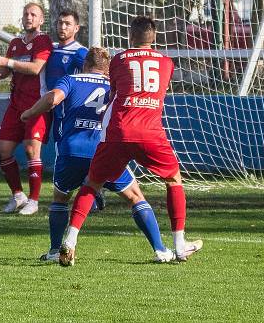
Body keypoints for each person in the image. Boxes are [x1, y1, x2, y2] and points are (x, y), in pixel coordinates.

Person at [58, 16, 202, 266]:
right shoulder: (167, 63)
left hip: (119, 131)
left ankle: (70, 240)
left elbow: (113, 93)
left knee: (92, 183)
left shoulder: (118, 61)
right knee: (173, 179)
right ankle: (179, 244)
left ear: (130, 36)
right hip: (150, 132)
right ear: (154, 37)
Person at [22, 47, 176, 263]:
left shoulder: (71, 79)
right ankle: (160, 250)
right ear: (108, 68)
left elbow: (53, 99)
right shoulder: (115, 85)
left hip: (71, 151)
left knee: (61, 198)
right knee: (134, 197)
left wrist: (29, 113)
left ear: (85, 64)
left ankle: (56, 251)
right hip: (103, 151)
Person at [0, 2, 52, 215]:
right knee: (3, 151)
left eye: (34, 14)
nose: (29, 17)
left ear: (41, 20)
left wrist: (7, 63)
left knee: (30, 150)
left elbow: (36, 68)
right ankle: (18, 195)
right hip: (15, 105)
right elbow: (9, 68)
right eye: (26, 14)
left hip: (37, 104)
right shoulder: (16, 43)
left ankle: (34, 201)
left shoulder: (43, 41)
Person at [42, 9, 105, 211]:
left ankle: (91, 193)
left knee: (75, 153)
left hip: (73, 112)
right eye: (60, 23)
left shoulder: (79, 53)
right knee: (64, 152)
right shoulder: (51, 50)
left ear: (76, 28)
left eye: (67, 23)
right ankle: (90, 191)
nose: (62, 27)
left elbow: (97, 74)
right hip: (57, 111)